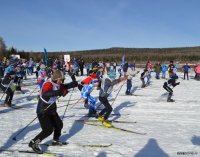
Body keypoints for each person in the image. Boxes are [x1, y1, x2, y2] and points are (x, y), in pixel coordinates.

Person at [29, 70, 78, 154]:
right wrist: (59, 92)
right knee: (48, 130)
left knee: (59, 124)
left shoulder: (57, 84)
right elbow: (45, 93)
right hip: (43, 110)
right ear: (57, 79)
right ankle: (34, 142)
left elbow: (65, 86)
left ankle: (55, 140)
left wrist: (74, 83)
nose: (62, 81)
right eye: (61, 79)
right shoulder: (48, 84)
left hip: (51, 109)